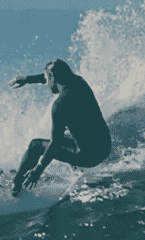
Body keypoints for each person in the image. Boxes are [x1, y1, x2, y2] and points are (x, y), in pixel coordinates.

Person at [9, 59, 112, 195]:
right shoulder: (80, 83)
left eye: (46, 79)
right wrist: (27, 79)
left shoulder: (59, 105)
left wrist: (38, 171)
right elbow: (57, 74)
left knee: (36, 145)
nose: (45, 83)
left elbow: (55, 143)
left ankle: (17, 182)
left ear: (52, 77)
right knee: (70, 135)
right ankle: (77, 169)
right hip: (104, 147)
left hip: (89, 157)